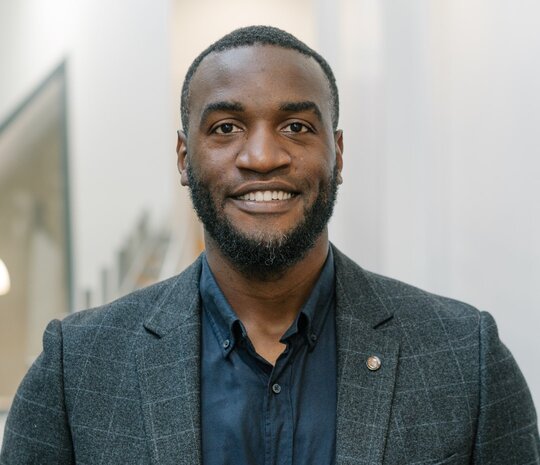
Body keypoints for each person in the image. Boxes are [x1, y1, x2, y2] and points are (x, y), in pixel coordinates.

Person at [1, 25, 539, 465]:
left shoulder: (465, 357)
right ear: (185, 158)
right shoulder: (78, 368)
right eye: (227, 126)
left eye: (298, 126)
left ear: (339, 153)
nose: (262, 157)